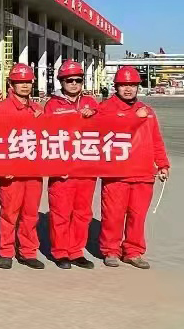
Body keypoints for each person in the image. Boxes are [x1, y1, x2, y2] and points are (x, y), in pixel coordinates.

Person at [98, 66, 170, 269]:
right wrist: (134, 118)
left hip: (143, 173)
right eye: (123, 85)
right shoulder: (105, 108)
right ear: (116, 87)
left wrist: (163, 164)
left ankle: (133, 251)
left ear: (138, 87)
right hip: (116, 174)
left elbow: (156, 140)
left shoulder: (148, 112)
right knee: (113, 215)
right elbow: (100, 130)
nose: (128, 89)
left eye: (132, 85)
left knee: (137, 216)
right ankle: (111, 250)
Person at [44, 60, 98, 270]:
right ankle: (60, 252)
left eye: (78, 80)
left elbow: (106, 129)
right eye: (69, 80)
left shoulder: (91, 103)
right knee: (60, 212)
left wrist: (94, 115)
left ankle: (76, 251)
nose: (74, 84)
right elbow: (45, 135)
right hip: (62, 170)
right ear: (61, 82)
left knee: (82, 213)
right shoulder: (52, 105)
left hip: (86, 169)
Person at [0, 63, 45, 270]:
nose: (24, 85)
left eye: (27, 82)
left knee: (30, 214)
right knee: (9, 213)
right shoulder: (3, 109)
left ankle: (28, 252)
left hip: (33, 171)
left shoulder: (38, 109)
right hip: (12, 172)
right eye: (19, 82)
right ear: (11, 84)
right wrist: (2, 166)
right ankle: (6, 252)